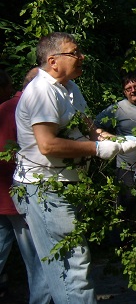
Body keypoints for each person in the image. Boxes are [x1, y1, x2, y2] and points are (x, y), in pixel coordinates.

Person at [12, 32, 136, 304]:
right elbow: (47, 145)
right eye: (74, 53)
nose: (81, 57)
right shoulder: (42, 91)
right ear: (53, 61)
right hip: (45, 189)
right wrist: (96, 149)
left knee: (54, 274)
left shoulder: (69, 88)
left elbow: (88, 130)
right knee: (72, 268)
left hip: (64, 185)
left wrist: (118, 142)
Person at [0, 68, 51, 304]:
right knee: (38, 259)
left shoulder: (6, 108)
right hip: (19, 193)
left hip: (6, 193)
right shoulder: (26, 108)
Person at [94, 72, 136, 235]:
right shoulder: (117, 109)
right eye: (128, 88)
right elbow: (94, 128)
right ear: (124, 92)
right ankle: (121, 242)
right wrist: (117, 139)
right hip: (126, 166)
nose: (133, 91)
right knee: (125, 206)